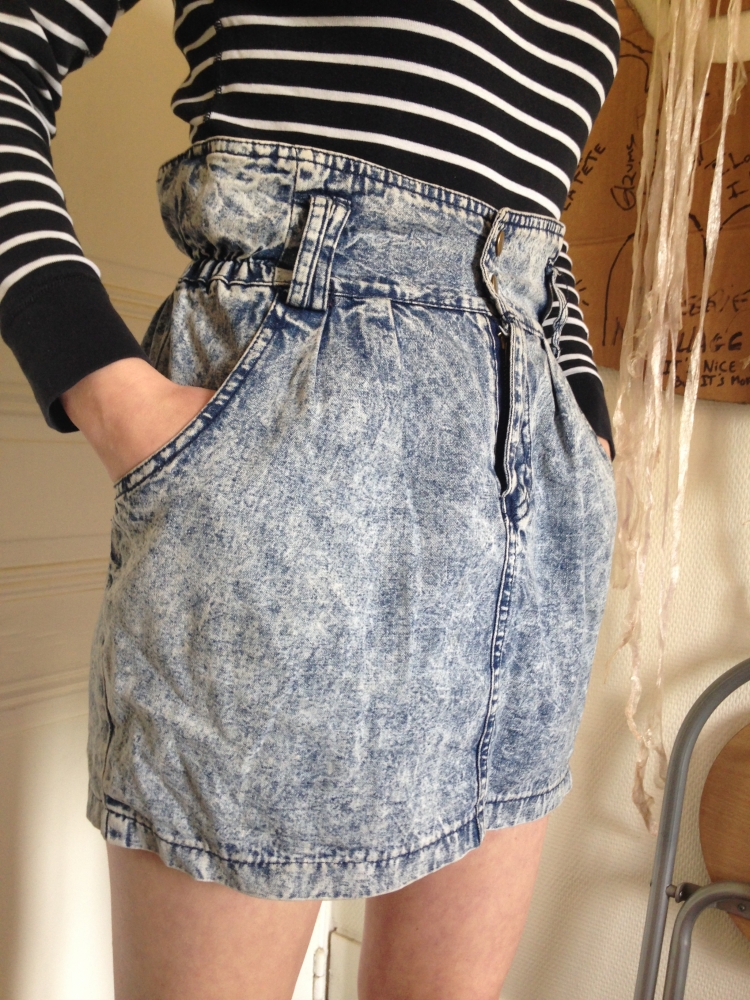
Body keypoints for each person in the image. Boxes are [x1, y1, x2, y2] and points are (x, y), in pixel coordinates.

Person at [0, 1, 619, 997]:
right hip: (293, 451)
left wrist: (586, 421)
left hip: (534, 501)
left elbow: (531, 222)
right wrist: (104, 386)